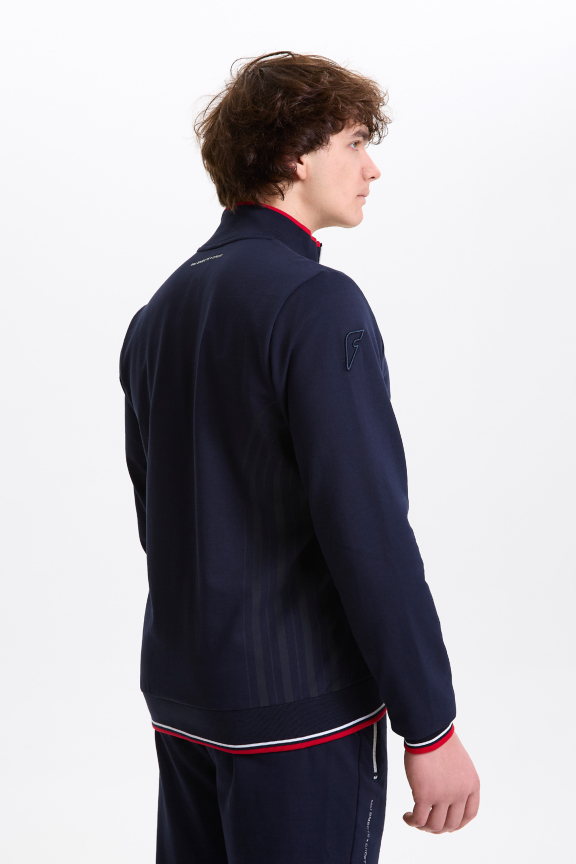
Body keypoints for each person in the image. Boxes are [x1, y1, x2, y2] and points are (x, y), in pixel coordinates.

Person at [119, 50, 480, 863]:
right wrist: (430, 724)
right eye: (354, 142)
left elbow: (158, 519)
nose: (372, 168)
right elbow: (366, 528)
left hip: (185, 700)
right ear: (294, 155)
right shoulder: (317, 302)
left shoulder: (158, 313)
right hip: (299, 710)